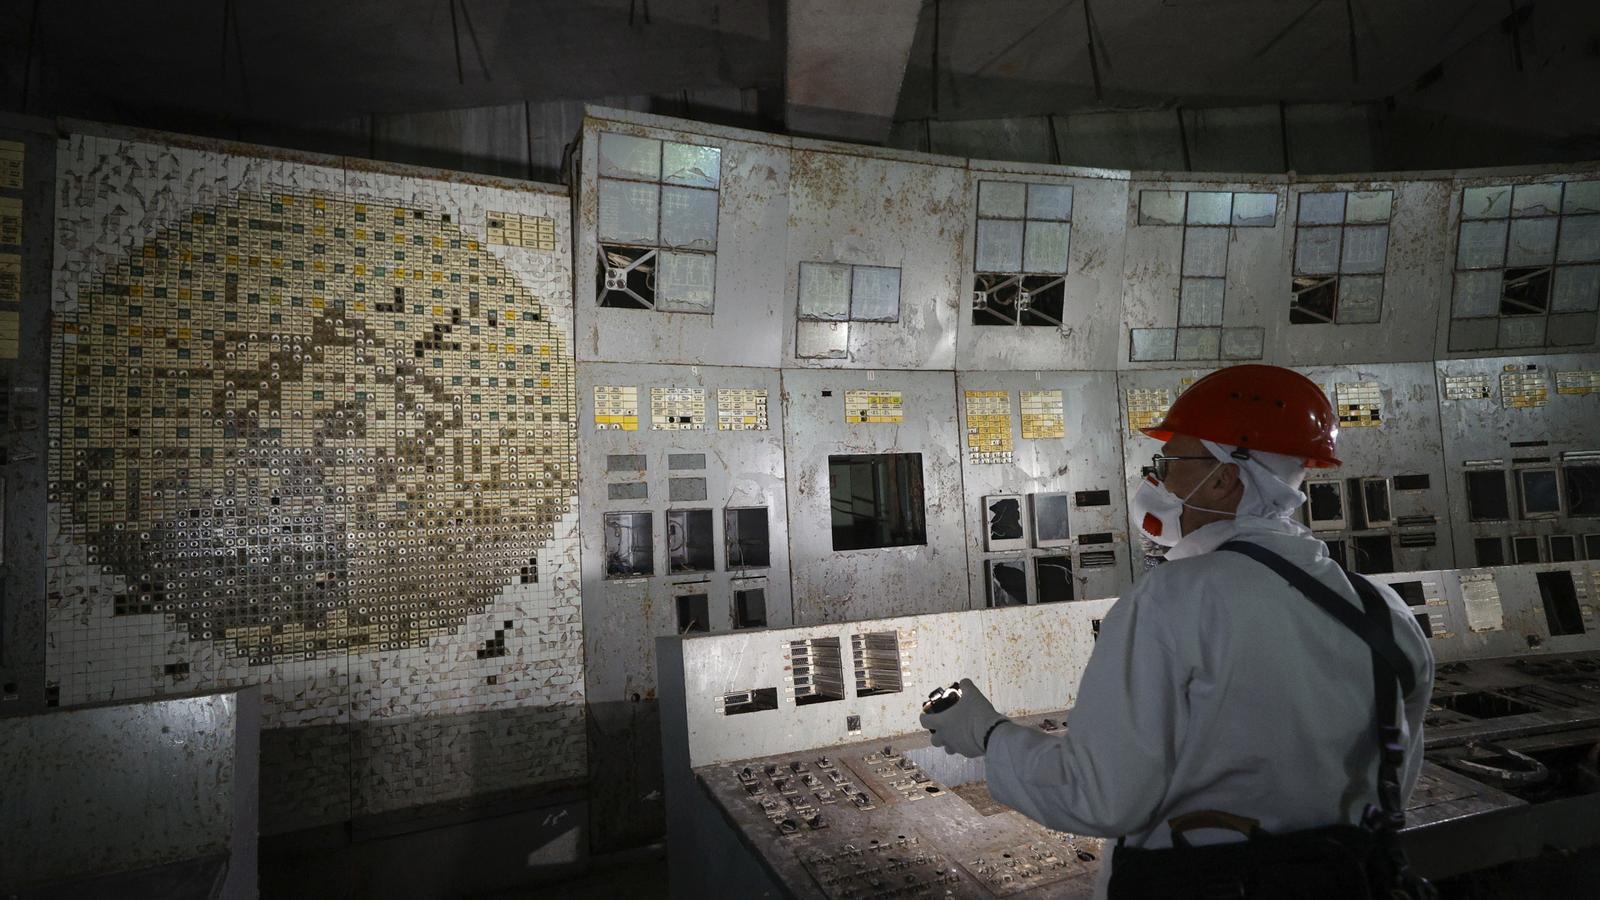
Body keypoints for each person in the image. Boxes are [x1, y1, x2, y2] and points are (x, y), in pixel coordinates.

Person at [920, 364, 1434, 898]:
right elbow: (1393, 781)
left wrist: (987, 734)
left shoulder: (1173, 600)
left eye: (1170, 462)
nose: (1156, 478)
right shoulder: (1385, 611)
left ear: (1225, 477)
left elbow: (1099, 795)